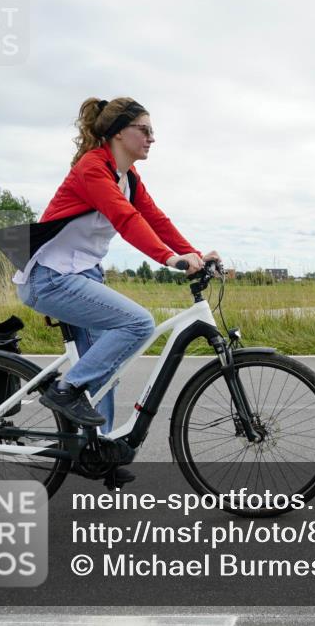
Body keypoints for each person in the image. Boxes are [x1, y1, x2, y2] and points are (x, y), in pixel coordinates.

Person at [13, 97, 218, 450]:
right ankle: (66, 390)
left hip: (81, 276)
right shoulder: (93, 168)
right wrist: (170, 260)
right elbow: (126, 219)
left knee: (106, 373)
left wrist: (195, 254)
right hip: (50, 277)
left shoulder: (129, 177)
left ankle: (99, 449)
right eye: (145, 130)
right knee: (139, 323)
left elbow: (156, 219)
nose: (152, 138)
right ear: (120, 133)